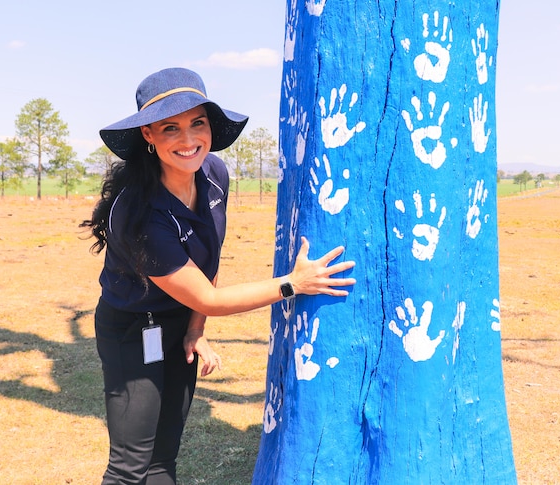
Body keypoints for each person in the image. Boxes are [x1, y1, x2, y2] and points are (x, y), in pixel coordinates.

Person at [81, 67, 355, 485]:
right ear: (148, 136)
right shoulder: (140, 215)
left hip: (178, 323)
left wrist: (196, 328)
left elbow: (208, 257)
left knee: (163, 456)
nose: (189, 140)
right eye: (170, 128)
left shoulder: (213, 175)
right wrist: (293, 284)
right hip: (132, 332)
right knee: (131, 463)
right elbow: (208, 295)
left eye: (198, 123)